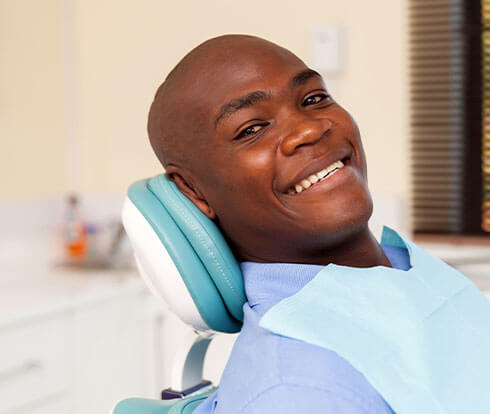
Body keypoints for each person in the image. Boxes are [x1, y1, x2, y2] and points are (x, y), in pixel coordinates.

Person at [147, 34, 409, 413]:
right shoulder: (299, 390)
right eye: (251, 129)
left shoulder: (405, 266)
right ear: (193, 190)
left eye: (313, 99)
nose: (309, 129)